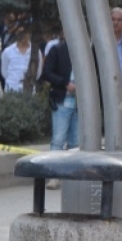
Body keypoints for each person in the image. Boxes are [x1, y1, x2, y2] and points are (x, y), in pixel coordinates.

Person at [42, 39, 78, 190]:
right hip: (62, 100)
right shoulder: (57, 50)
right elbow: (47, 73)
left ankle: (72, 175)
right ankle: (54, 175)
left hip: (81, 103)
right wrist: (65, 83)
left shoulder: (88, 50)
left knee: (76, 141)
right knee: (58, 139)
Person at [0, 28, 43, 94]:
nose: (23, 35)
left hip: (29, 93)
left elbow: (38, 73)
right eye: (20, 33)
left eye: (25, 33)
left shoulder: (36, 52)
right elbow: (4, 72)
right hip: (11, 91)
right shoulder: (7, 52)